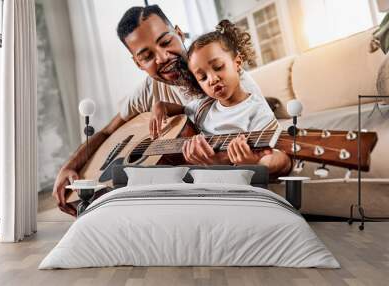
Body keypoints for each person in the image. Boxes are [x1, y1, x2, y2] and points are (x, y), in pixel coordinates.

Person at [53, 5, 291, 217]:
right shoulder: (148, 90)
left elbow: (278, 155)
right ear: (138, 63)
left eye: (166, 42)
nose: (163, 57)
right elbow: (107, 132)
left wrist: (234, 162)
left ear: (178, 33)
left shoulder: (231, 83)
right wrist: (70, 166)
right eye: (147, 56)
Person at [149, 19, 291, 171]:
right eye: (203, 77)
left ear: (237, 63)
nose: (212, 79)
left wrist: (255, 163)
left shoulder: (256, 111)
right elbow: (181, 110)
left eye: (218, 67)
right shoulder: (204, 106)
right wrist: (160, 106)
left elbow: (281, 157)